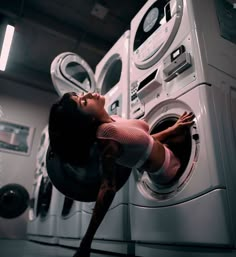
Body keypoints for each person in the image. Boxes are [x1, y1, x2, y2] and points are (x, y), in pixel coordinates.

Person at [48, 91, 194, 257]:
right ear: (88, 120)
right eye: (83, 102)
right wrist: (87, 242)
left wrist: (172, 129)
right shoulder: (107, 136)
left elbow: (145, 142)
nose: (88, 94)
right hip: (169, 169)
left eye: (81, 94)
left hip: (168, 153)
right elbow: (107, 188)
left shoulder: (114, 120)